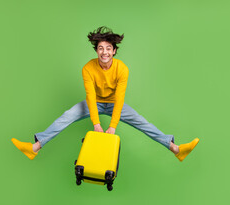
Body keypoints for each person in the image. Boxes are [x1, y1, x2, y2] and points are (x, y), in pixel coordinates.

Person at [11, 26, 199, 162]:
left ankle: (176, 149)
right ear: (97, 51)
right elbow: (90, 97)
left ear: (114, 51)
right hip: (95, 103)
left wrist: (112, 126)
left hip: (114, 104)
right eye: (101, 48)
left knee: (142, 122)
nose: (104, 52)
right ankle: (35, 147)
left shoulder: (122, 69)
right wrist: (97, 123)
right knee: (67, 116)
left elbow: (120, 98)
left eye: (108, 48)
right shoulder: (88, 68)